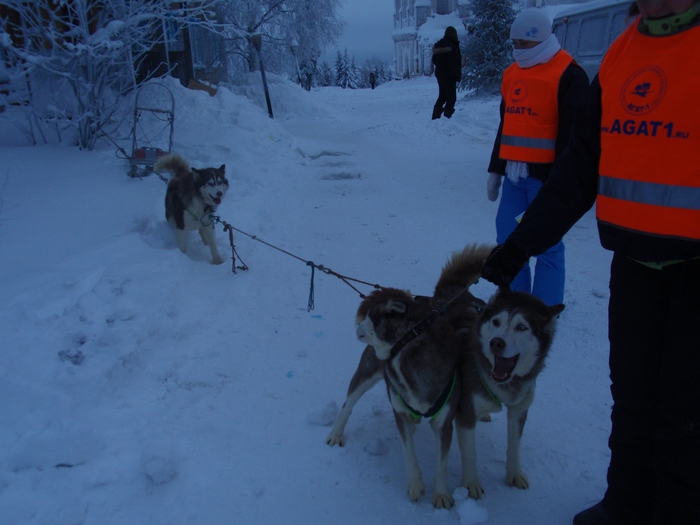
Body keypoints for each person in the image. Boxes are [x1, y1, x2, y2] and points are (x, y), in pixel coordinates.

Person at [480, 0, 700, 523]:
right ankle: (626, 502)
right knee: (632, 397)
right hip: (632, 263)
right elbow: (579, 168)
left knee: (684, 412)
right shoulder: (623, 53)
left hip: (696, 269)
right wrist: (518, 245)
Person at [486, 8, 588, 306]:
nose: (518, 50)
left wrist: (560, 186)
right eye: (514, 44)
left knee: (547, 245)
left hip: (546, 182)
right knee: (508, 238)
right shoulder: (512, 74)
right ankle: (516, 301)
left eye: (525, 44)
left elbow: (572, 139)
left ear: (542, 40)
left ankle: (544, 308)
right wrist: (496, 170)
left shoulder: (569, 74)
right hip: (516, 181)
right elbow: (507, 125)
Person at [431, 26, 462, 119]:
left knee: (442, 96)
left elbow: (434, 60)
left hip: (440, 75)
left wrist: (441, 67)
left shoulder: (439, 45)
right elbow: (454, 62)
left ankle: (436, 117)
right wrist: (456, 74)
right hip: (449, 76)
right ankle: (447, 118)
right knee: (451, 98)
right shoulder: (452, 46)